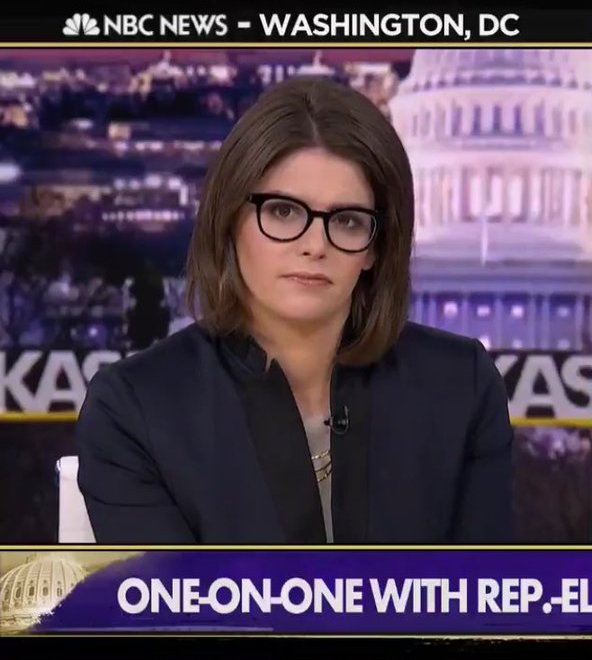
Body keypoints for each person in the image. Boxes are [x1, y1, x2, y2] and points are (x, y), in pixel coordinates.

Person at [75, 77, 514, 544]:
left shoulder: (461, 387)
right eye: (283, 212)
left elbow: (481, 585)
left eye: (347, 221)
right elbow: (171, 594)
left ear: (375, 248)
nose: (315, 245)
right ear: (231, 221)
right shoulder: (136, 409)